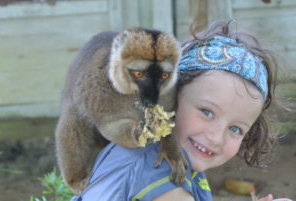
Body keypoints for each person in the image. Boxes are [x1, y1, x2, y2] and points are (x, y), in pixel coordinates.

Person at [71, 21, 292, 201]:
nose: (216, 137)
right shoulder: (158, 173)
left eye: (235, 128)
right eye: (206, 112)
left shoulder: (158, 152)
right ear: (172, 97)